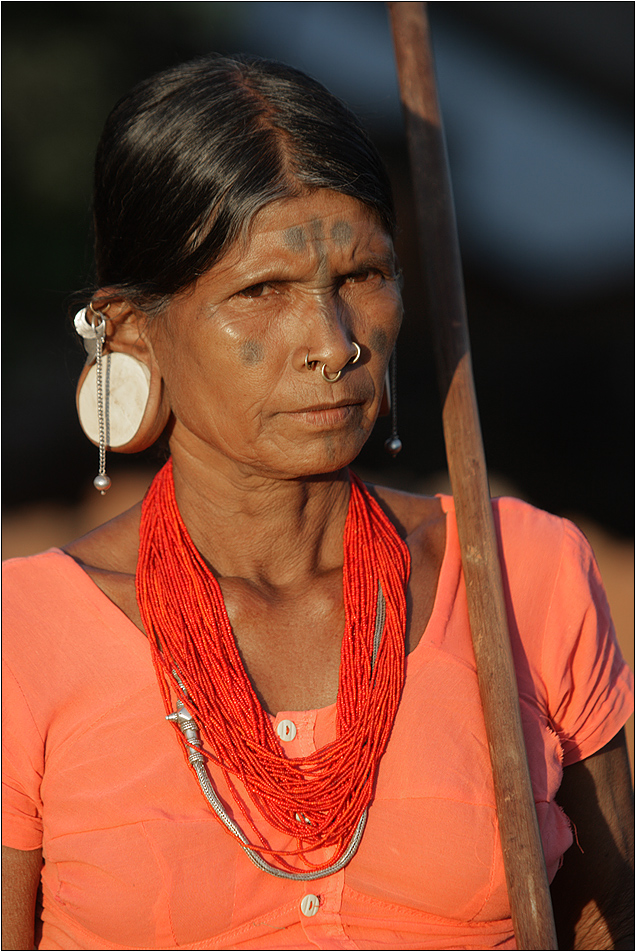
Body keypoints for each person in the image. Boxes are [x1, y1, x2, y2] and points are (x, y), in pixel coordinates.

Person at [2, 54, 633, 952]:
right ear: (131, 330)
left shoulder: (522, 577)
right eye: (262, 291)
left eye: (363, 277)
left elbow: (616, 911)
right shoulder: (22, 637)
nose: (334, 344)